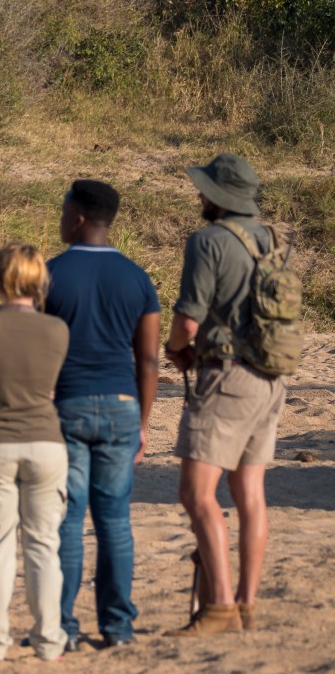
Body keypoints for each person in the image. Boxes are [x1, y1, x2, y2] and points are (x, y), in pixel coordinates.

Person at [164, 154, 289, 635]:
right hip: (270, 378)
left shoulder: (208, 241)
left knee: (196, 493)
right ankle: (246, 603)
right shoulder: (271, 239)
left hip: (227, 377)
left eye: (205, 188)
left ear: (219, 196)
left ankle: (218, 608)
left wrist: (176, 350)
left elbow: (187, 321)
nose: (199, 194)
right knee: (250, 494)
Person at [44, 180, 161, 650]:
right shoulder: (137, 278)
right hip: (121, 407)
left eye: (63, 211)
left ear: (77, 218)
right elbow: (148, 360)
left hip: (66, 407)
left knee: (68, 519)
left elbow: (38, 350)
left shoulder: (49, 274)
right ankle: (117, 627)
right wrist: (143, 423)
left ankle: (64, 626)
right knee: (114, 520)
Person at [0, 242, 70, 662]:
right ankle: (49, 640)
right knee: (43, 546)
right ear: (40, 281)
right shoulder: (57, 329)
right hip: (46, 441)